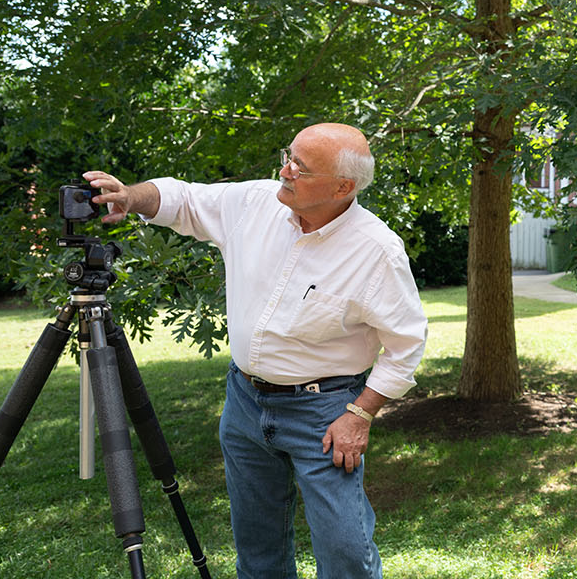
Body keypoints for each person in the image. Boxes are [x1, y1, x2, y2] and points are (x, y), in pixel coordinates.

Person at [84, 123, 429, 579]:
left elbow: (406, 344)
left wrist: (361, 413)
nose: (285, 170)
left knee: (344, 548)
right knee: (257, 549)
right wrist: (130, 195)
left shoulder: (376, 250)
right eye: (289, 156)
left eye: (301, 168)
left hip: (324, 413)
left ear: (343, 187)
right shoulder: (255, 203)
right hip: (245, 402)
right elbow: (183, 199)